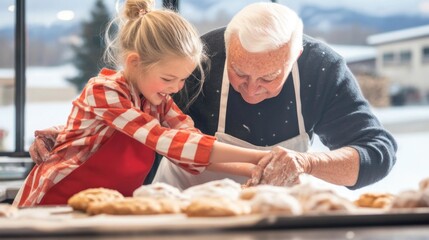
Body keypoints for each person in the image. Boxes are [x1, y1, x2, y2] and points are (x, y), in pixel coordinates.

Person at [29, 2, 397, 191]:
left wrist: (307, 164)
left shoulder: (322, 69)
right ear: (225, 49)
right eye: (239, 72)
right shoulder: (197, 60)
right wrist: (71, 135)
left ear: (295, 57)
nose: (252, 90)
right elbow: (156, 127)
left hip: (278, 214)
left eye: (269, 77)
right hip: (183, 213)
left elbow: (377, 151)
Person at [13, 0, 272, 207]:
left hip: (103, 208)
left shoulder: (158, 103)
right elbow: (164, 140)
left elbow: (190, 148)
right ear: (134, 62)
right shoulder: (104, 91)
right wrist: (262, 156)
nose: (176, 88)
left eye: (182, 79)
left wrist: (257, 169)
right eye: (168, 78)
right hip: (53, 204)